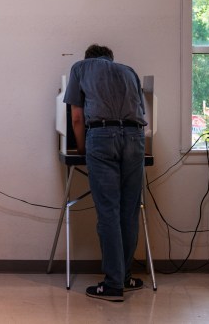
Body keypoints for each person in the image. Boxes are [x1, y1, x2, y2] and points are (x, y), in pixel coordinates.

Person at [63, 44, 147, 302]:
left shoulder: (80, 67)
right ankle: (124, 277)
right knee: (129, 211)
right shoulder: (129, 71)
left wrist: (82, 148)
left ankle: (112, 285)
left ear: (89, 58)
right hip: (135, 138)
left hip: (101, 137)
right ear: (111, 58)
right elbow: (142, 111)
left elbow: (77, 116)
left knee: (108, 211)